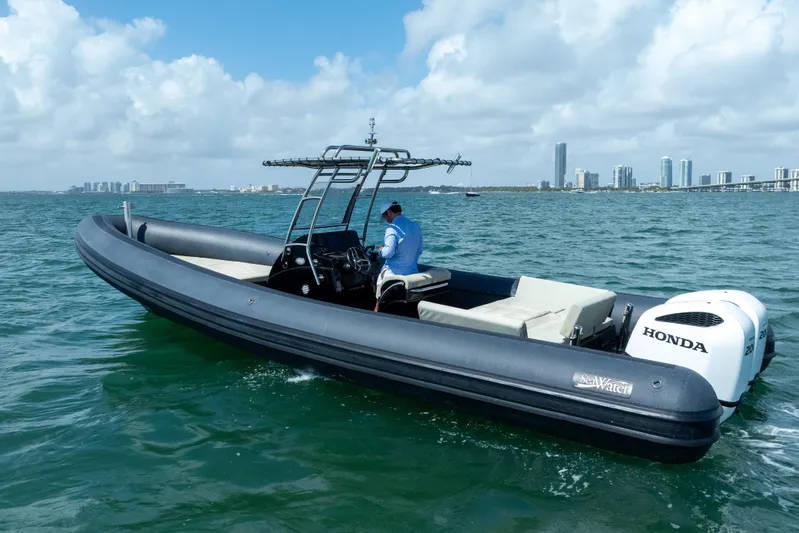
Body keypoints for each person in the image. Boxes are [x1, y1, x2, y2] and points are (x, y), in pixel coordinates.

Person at [373, 200, 423, 311]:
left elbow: (388, 253)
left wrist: (381, 250)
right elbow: (419, 250)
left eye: (385, 217)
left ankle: (376, 316)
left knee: (378, 299)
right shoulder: (415, 226)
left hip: (394, 277)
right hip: (412, 274)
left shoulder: (392, 228)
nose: (386, 220)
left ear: (389, 213)